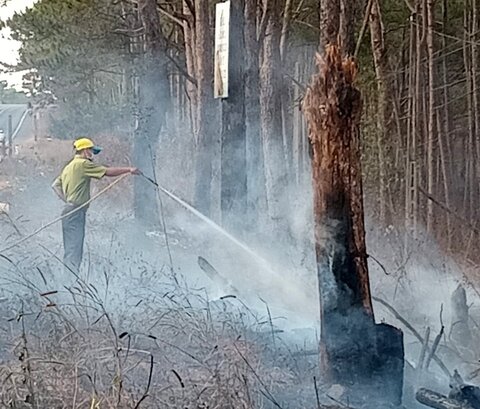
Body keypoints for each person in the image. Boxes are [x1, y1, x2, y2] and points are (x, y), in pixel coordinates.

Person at [52, 137, 140, 272]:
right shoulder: (82, 164)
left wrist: (67, 201)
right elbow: (107, 172)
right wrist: (129, 170)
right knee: (74, 251)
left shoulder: (68, 167)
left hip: (69, 211)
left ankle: (68, 282)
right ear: (85, 151)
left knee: (71, 249)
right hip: (75, 212)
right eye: (91, 151)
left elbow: (55, 185)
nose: (92, 155)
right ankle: (70, 284)